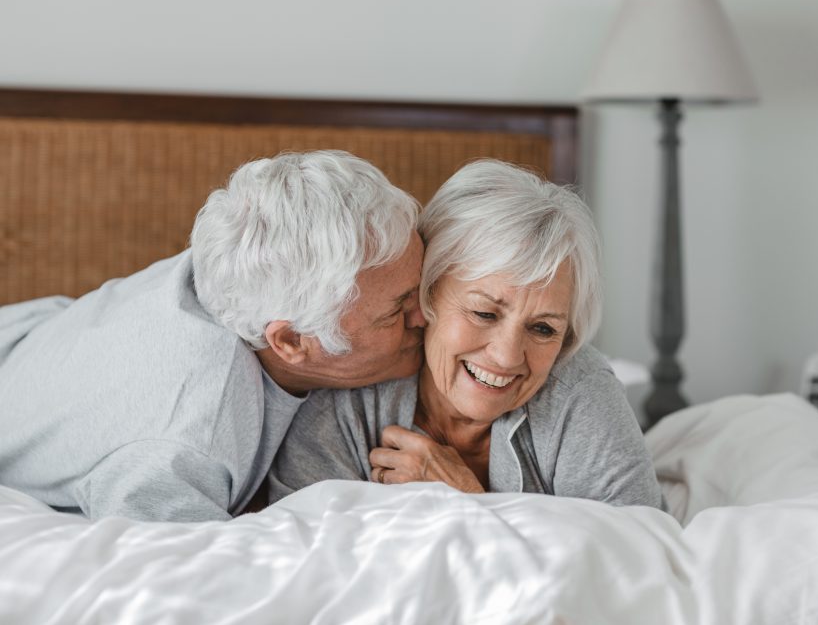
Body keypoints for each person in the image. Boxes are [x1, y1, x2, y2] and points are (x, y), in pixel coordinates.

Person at [0, 150, 426, 522]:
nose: (426, 316)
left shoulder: (248, 260)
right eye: (397, 310)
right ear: (291, 341)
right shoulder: (186, 440)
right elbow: (181, 581)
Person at [270, 160, 663, 508]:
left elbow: (638, 561)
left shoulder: (579, 391)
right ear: (427, 294)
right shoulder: (345, 395)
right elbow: (308, 568)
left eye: (543, 328)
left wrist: (471, 504)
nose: (508, 356)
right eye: (484, 313)